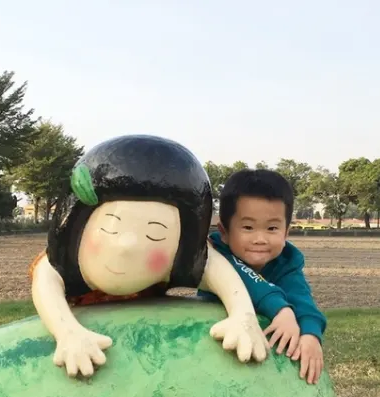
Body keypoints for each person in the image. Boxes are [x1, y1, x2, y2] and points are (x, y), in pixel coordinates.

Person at [29, 134, 271, 378]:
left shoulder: (190, 259)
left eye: (155, 234)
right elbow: (46, 282)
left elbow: (221, 275)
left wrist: (243, 317)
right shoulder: (63, 264)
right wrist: (67, 332)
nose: (127, 246)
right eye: (110, 227)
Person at [197, 168, 327, 384]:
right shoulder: (215, 254)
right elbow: (245, 278)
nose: (260, 238)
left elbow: (302, 299)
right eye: (248, 227)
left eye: (272, 228)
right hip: (213, 350)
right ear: (225, 232)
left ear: (286, 232)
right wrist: (281, 310)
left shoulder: (286, 263)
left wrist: (311, 335)